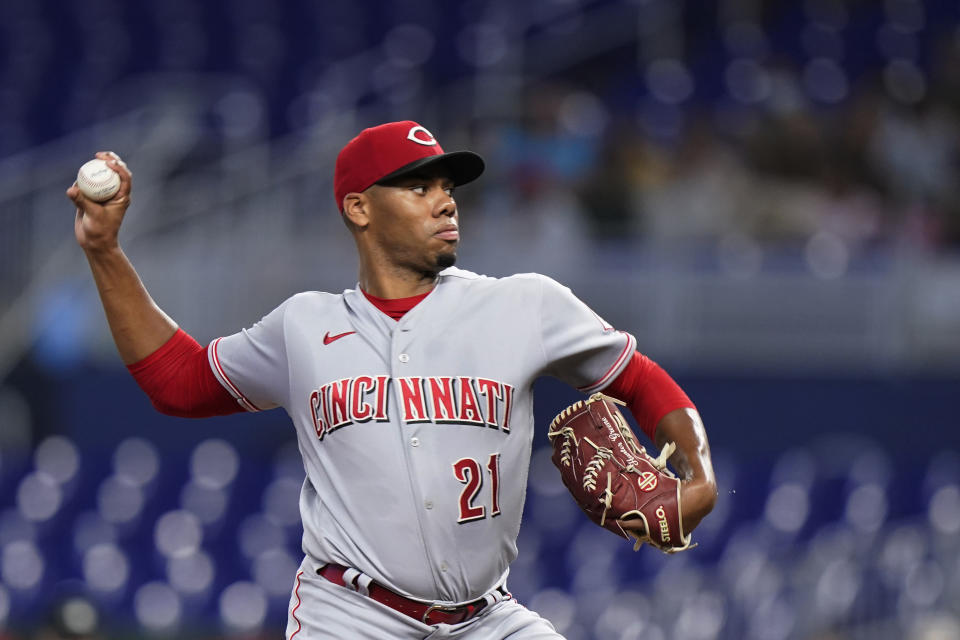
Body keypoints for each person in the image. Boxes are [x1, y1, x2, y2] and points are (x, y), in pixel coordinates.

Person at [67, 121, 717, 639]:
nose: (444, 200)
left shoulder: (525, 305)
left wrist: (699, 474)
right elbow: (179, 382)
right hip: (348, 616)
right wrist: (104, 252)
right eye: (418, 185)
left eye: (448, 186)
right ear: (359, 207)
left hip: (487, 618)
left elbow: (637, 376)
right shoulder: (303, 327)